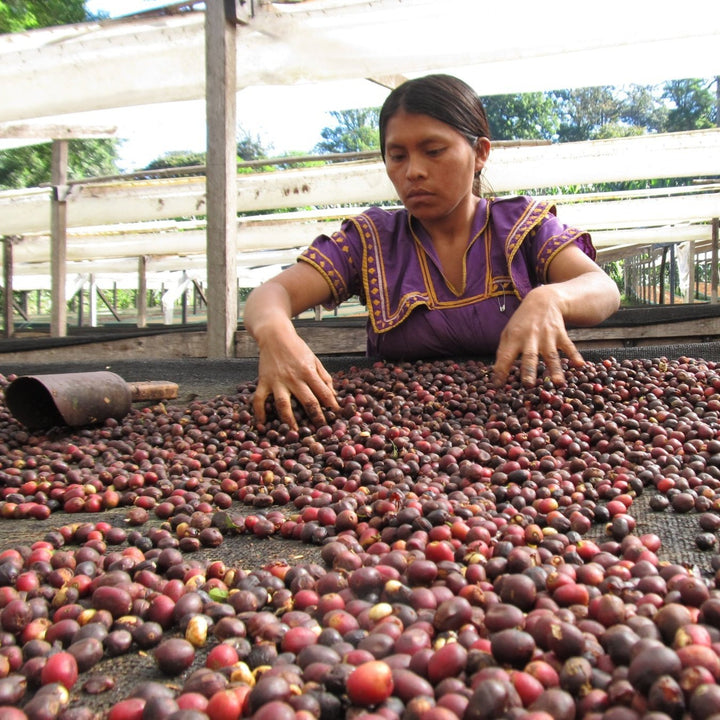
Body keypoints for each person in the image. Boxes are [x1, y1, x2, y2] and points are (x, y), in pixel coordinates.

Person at [244, 74, 621, 429]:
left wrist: (551, 298)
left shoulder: (524, 226)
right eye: (397, 156)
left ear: (480, 153)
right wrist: (275, 333)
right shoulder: (371, 240)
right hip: (396, 433)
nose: (414, 172)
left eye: (434, 150)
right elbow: (272, 294)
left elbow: (602, 289)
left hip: (527, 422)